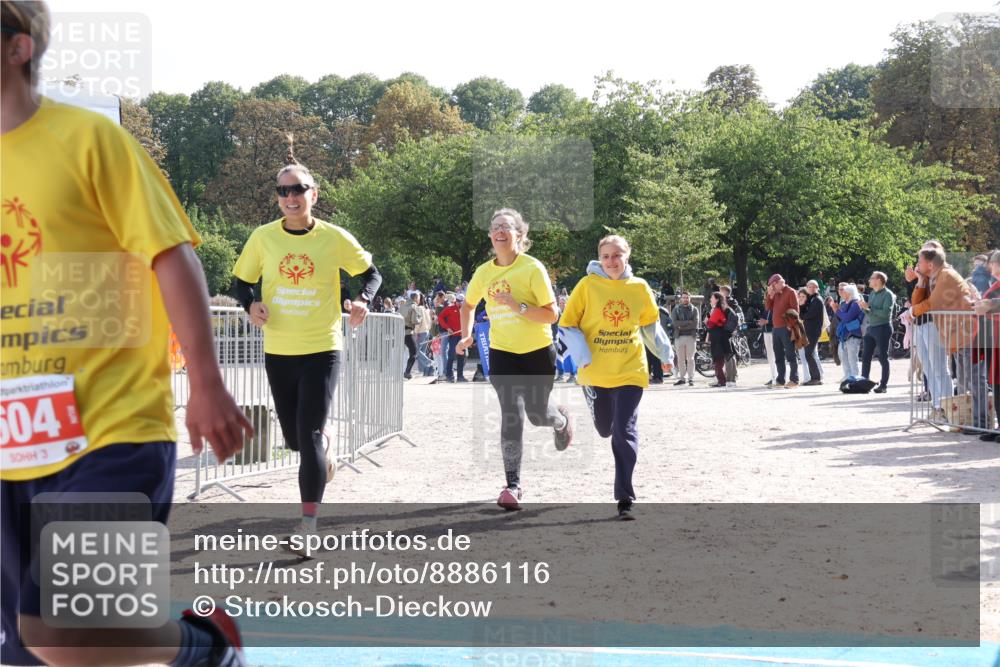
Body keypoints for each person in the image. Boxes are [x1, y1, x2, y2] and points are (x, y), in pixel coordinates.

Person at [1, 2, 255, 665]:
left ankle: (207, 649)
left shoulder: (89, 140)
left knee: (64, 628)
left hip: (110, 426)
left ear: (17, 48)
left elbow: (172, 254)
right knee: (34, 649)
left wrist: (206, 383)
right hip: (12, 446)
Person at [233, 137, 381, 550]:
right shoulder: (262, 238)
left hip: (322, 347)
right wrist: (250, 304)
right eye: (283, 191)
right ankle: (324, 446)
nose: (291, 197)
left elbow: (372, 275)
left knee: (309, 437)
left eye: (298, 189)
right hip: (279, 350)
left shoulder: (334, 237)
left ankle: (307, 529)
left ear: (313, 194)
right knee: (297, 440)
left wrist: (363, 301)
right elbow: (240, 283)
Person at [455, 209, 572, 510]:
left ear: (520, 235)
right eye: (495, 227)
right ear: (491, 236)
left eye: (506, 227)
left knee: (536, 415)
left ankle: (560, 420)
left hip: (537, 352)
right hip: (502, 352)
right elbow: (468, 305)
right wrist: (466, 335)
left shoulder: (532, 268)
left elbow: (551, 313)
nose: (499, 231)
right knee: (511, 414)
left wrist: (518, 306)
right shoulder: (483, 272)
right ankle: (513, 486)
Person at [557, 235, 673, 519]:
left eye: (617, 255)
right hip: (595, 372)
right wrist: (582, 356)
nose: (612, 261)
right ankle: (565, 420)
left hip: (631, 369)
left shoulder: (640, 287)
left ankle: (625, 497)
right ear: (600, 257)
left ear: (627, 256)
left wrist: (665, 355)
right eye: (606, 256)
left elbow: (649, 326)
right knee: (605, 429)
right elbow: (567, 324)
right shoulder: (586, 286)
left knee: (624, 430)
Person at [910, 246, 985, 428]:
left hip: (968, 333)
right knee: (964, 380)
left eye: (919, 261)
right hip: (957, 335)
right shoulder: (935, 276)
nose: (917, 265)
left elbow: (930, 303)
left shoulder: (946, 275)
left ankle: (979, 422)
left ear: (929, 263)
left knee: (974, 380)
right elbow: (917, 300)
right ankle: (966, 421)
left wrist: (912, 311)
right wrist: (920, 281)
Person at [975, 250, 1000, 441]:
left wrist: (989, 303)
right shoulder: (994, 283)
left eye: (992, 263)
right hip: (993, 337)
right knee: (995, 383)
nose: (990, 267)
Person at [859, 271, 896, 393]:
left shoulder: (888, 294)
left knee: (882, 357)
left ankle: (883, 385)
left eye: (871, 278)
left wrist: (869, 308)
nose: (869, 280)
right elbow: (870, 312)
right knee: (865, 356)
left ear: (879, 280)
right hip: (872, 328)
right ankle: (864, 382)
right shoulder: (872, 294)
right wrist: (864, 308)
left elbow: (885, 313)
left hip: (883, 328)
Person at [765, 274, 800, 388]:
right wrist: (770, 295)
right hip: (776, 328)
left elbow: (795, 310)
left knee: (790, 355)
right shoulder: (775, 294)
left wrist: (790, 325)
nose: (772, 288)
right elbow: (767, 308)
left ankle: (794, 380)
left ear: (777, 283)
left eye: (772, 286)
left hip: (786, 327)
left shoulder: (790, 292)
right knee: (778, 355)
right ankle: (780, 380)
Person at [704, 292, 736, 388]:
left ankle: (722, 380)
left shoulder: (717, 310)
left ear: (717, 299)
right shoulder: (720, 309)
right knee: (721, 359)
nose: (710, 299)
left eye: (712, 298)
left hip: (718, 338)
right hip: (722, 337)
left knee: (718, 360)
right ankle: (724, 380)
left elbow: (711, 323)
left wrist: (707, 321)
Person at [836, 284, 865, 381]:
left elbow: (847, 318)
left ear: (849, 293)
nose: (841, 292)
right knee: (843, 357)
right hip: (845, 335)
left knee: (852, 359)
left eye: (843, 291)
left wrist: (836, 310)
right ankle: (847, 377)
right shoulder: (845, 304)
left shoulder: (855, 304)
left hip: (853, 335)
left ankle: (855, 378)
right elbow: (843, 318)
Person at [671, 291, 699, 386]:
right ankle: (682, 378)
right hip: (679, 337)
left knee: (690, 359)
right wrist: (688, 323)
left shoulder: (694, 309)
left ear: (690, 298)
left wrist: (681, 325)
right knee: (680, 359)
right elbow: (674, 323)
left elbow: (695, 324)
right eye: (684, 297)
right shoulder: (676, 309)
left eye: (687, 297)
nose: (685, 299)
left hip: (691, 337)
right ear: (681, 299)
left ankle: (691, 378)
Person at [801, 280, 825, 385]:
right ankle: (814, 377)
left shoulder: (817, 300)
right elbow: (804, 311)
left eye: (813, 287)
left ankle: (816, 377)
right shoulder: (811, 299)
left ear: (817, 288)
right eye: (809, 287)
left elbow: (808, 315)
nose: (811, 288)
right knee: (809, 353)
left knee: (809, 353)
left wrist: (801, 315)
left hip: (813, 331)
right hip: (809, 330)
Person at [438, 293, 466, 382]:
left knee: (461, 356)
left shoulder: (466, 309)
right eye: (457, 301)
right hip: (453, 336)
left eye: (461, 302)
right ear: (455, 301)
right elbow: (440, 317)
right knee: (451, 355)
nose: (459, 303)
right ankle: (449, 376)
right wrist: (447, 328)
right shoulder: (450, 308)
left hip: (462, 336)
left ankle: (460, 376)